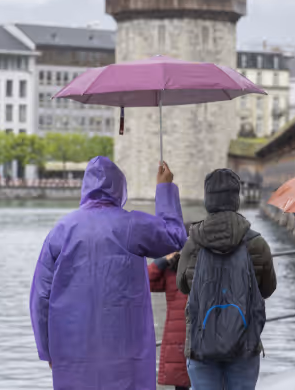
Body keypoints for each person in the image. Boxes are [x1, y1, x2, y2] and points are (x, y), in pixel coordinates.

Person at [30, 157, 187, 390]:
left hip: (72, 352)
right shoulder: (132, 225)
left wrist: (48, 350)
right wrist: (164, 189)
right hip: (125, 352)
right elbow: (175, 237)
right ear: (120, 188)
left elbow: (40, 297)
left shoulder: (61, 230)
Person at [177, 169, 276, 390]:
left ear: (207, 199)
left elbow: (182, 285)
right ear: (235, 199)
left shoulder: (193, 243)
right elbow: (267, 289)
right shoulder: (257, 243)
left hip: (201, 345)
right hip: (245, 345)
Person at [149, 250, 191, 390]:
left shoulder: (173, 271)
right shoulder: (173, 270)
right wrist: (163, 261)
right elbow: (147, 280)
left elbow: (147, 280)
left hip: (181, 339)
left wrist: (163, 261)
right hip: (181, 339)